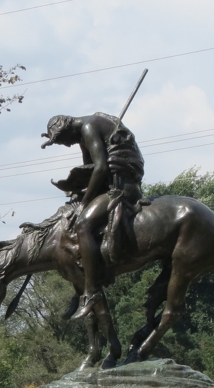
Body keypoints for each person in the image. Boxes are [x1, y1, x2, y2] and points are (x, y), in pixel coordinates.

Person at [41, 112, 146, 319]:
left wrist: (85, 203)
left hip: (121, 186)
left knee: (83, 225)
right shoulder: (85, 131)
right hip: (110, 184)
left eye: (63, 141)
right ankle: (80, 289)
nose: (67, 145)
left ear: (68, 130)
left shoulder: (88, 128)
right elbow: (91, 171)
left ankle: (92, 291)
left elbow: (100, 168)